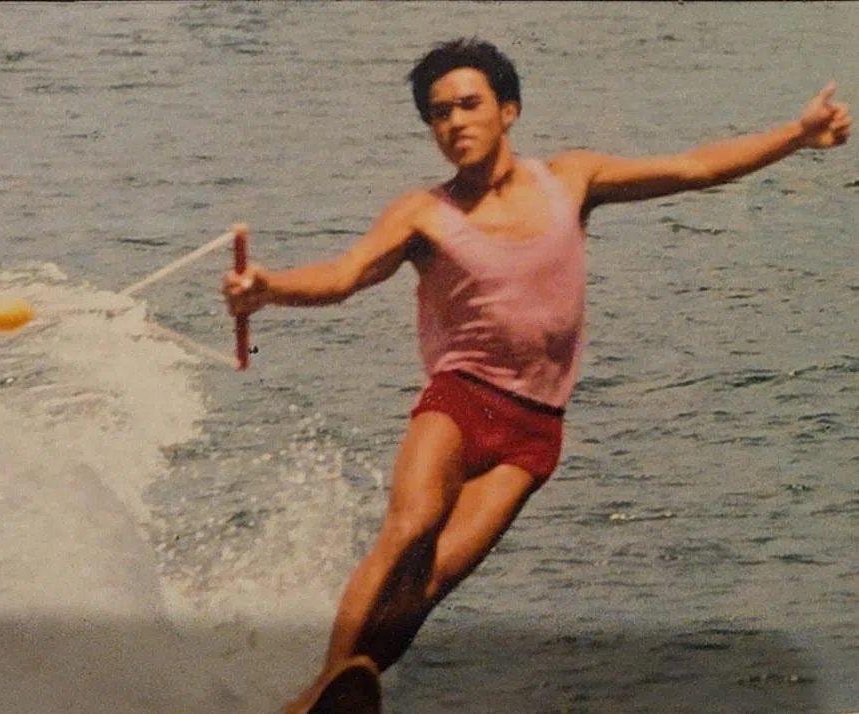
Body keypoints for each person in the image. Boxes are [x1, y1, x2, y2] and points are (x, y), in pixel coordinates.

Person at [222, 38, 851, 713]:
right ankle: (320, 688)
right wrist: (270, 287)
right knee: (410, 530)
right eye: (438, 114)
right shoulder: (423, 214)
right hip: (459, 400)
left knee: (430, 582)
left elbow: (694, 167)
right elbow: (346, 274)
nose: (455, 122)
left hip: (533, 431)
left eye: (469, 104)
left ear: (509, 109)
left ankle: (344, 691)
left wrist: (797, 134)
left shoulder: (570, 180)